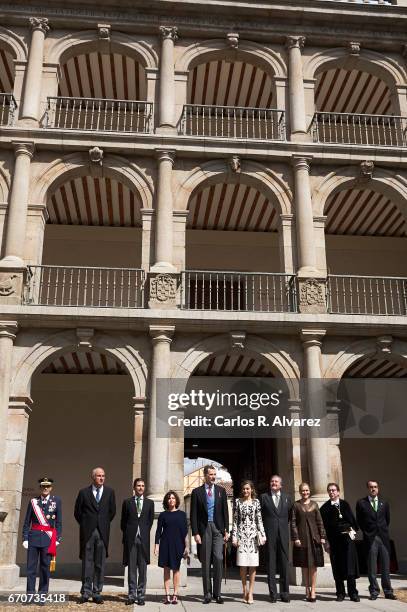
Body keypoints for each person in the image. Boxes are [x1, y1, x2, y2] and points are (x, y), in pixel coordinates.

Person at [74, 467, 116, 604]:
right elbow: (77, 513)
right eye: (99, 476)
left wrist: (102, 523)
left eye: (103, 475)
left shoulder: (110, 492)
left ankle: (97, 592)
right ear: (93, 477)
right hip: (88, 533)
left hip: (102, 533)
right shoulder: (83, 493)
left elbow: (112, 512)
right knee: (87, 563)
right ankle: (86, 592)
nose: (102, 478)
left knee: (100, 563)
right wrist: (87, 524)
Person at [190, 464, 229, 604]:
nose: (213, 477)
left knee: (218, 558)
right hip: (204, 528)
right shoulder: (196, 492)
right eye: (211, 474)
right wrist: (195, 533)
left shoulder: (221, 491)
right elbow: (193, 514)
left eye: (214, 474)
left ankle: (217, 594)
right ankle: (207, 593)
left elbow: (225, 511)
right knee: (206, 561)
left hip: (218, 529)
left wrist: (226, 530)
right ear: (205, 475)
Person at [356, 480, 396, 601]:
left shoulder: (384, 502)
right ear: (367, 489)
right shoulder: (361, 503)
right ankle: (374, 591)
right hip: (370, 537)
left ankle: (388, 591)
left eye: (375, 487)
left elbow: (387, 520)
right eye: (371, 487)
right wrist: (367, 532)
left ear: (378, 488)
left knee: (385, 566)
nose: (373, 489)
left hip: (383, 537)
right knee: (372, 567)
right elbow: (360, 521)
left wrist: (381, 530)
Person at [320, 483, 360, 602]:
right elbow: (323, 527)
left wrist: (351, 530)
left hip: (347, 541)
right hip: (334, 541)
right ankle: (340, 593)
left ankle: (353, 593)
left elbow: (352, 520)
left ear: (338, 492)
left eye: (333, 490)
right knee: (337, 567)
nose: (331, 492)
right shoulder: (325, 508)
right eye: (329, 491)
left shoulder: (345, 504)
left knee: (350, 567)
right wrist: (326, 542)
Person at [22, 477, 62, 595]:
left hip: (48, 539)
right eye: (43, 486)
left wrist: (58, 538)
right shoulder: (33, 501)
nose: (45, 488)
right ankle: (30, 594)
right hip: (33, 538)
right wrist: (25, 538)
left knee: (45, 568)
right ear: (40, 488)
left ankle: (42, 594)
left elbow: (59, 522)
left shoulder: (57, 501)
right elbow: (26, 522)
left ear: (51, 488)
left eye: (47, 486)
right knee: (31, 568)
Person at [231, 480, 266, 605]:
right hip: (241, 537)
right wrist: (234, 537)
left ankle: (251, 592)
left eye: (248, 489)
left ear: (252, 489)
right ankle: (244, 589)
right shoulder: (237, 502)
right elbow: (235, 521)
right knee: (243, 565)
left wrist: (262, 535)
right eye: (244, 489)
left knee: (253, 565)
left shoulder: (256, 502)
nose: (245, 491)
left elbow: (259, 520)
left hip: (252, 537)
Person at [291, 482, 326, 602]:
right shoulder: (296, 505)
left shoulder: (315, 505)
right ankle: (307, 588)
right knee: (304, 565)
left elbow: (320, 522)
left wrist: (322, 536)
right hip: (301, 539)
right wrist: (295, 537)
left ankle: (314, 590)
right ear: (300, 492)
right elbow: (293, 523)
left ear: (309, 491)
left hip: (314, 538)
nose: (305, 493)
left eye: (307, 490)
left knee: (313, 565)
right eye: (303, 491)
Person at [121, 478, 154, 606]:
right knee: (132, 569)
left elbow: (150, 521)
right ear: (134, 488)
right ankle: (131, 595)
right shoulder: (127, 502)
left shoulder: (149, 503)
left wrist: (143, 531)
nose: (140, 487)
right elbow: (123, 522)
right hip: (131, 539)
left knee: (143, 568)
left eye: (142, 485)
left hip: (143, 539)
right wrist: (130, 532)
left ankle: (141, 595)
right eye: (138, 485)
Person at [260, 474, 292, 603]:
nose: (274, 483)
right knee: (271, 564)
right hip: (269, 535)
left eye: (276, 481)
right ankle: (273, 594)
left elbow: (289, 516)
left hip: (283, 535)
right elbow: (260, 516)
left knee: (284, 564)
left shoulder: (287, 498)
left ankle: (285, 593)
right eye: (272, 481)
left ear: (281, 485)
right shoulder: (264, 497)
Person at [154, 490, 188, 605]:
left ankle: (175, 594)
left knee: (176, 569)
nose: (171, 500)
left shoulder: (182, 515)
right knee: (166, 570)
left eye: (173, 498)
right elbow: (158, 531)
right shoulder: (163, 515)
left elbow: (185, 532)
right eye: (169, 498)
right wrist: (156, 545)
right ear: (166, 501)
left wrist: (186, 547)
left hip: (178, 545)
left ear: (176, 500)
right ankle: (167, 595)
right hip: (165, 544)